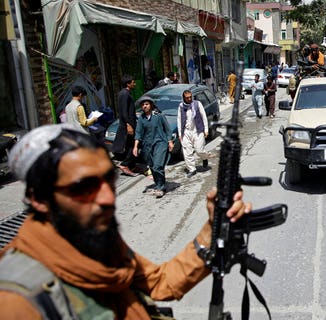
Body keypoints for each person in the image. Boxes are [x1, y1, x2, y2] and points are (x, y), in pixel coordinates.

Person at [0, 124, 248, 318]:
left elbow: (161, 282)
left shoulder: (94, 238)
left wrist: (212, 228)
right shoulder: (15, 300)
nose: (108, 198)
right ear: (39, 198)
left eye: (109, 180)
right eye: (84, 187)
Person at [132, 96, 173, 198]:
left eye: (146, 104)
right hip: (147, 146)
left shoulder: (159, 115)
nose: (144, 106)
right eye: (143, 105)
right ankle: (160, 183)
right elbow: (138, 133)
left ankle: (160, 187)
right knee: (152, 166)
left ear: (151, 105)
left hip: (160, 143)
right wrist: (135, 146)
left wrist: (170, 141)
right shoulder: (141, 118)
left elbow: (167, 129)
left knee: (158, 165)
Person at [177, 90, 212, 178]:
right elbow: (179, 120)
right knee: (187, 151)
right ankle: (192, 169)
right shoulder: (181, 106)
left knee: (199, 150)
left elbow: (204, 116)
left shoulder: (197, 104)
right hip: (186, 131)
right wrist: (180, 134)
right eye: (187, 98)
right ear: (184, 98)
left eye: (190, 97)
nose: (189, 99)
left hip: (198, 130)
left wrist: (206, 129)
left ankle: (204, 158)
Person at [112, 75, 138, 177]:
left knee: (130, 145)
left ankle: (131, 165)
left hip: (131, 123)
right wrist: (128, 125)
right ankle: (125, 164)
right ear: (128, 84)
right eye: (133, 82)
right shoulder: (124, 94)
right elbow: (123, 112)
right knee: (132, 145)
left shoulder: (126, 93)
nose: (134, 84)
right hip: (128, 125)